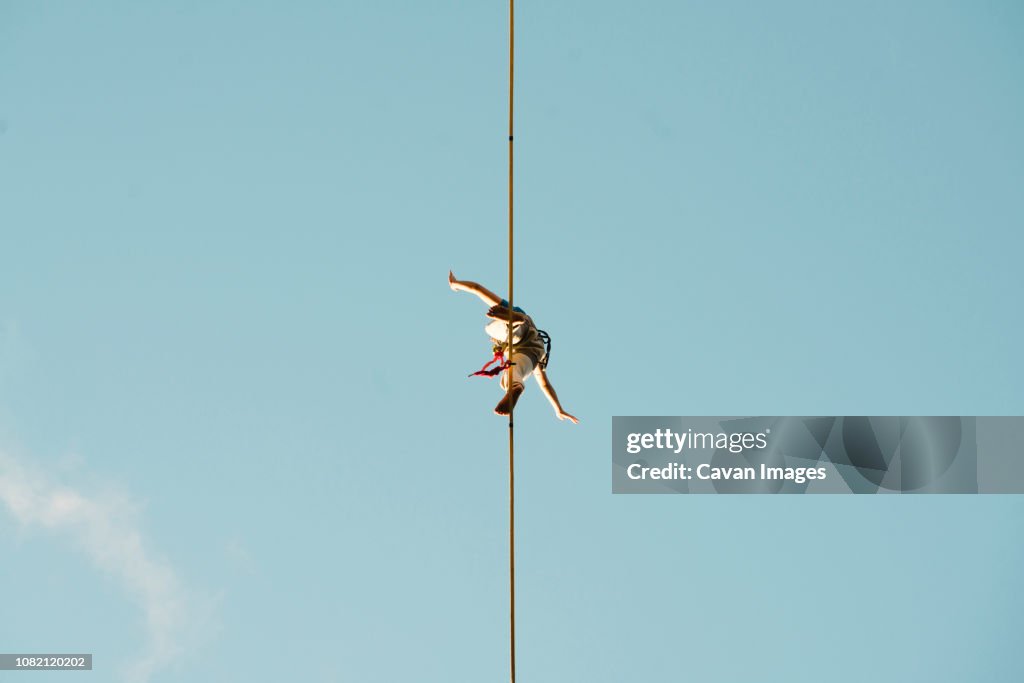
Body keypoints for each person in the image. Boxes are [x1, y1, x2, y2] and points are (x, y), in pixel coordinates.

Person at [449, 270, 579, 423]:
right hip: (531, 349)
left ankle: (515, 321)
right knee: (513, 369)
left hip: (519, 335)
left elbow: (477, 288)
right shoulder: (530, 357)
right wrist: (558, 409)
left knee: (494, 333)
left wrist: (455, 284)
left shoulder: (505, 336)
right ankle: (515, 384)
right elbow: (544, 384)